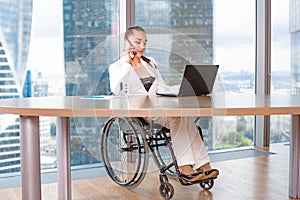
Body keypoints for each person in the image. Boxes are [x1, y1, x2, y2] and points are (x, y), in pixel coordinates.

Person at [108, 26, 219, 183]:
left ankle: (204, 165)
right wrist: (128, 62)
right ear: (126, 42)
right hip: (141, 112)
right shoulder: (118, 67)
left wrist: (181, 89)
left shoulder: (151, 62)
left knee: (184, 117)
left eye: (145, 43)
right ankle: (185, 168)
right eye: (137, 42)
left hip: (160, 106)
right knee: (178, 118)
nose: (142, 47)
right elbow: (115, 88)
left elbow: (161, 86)